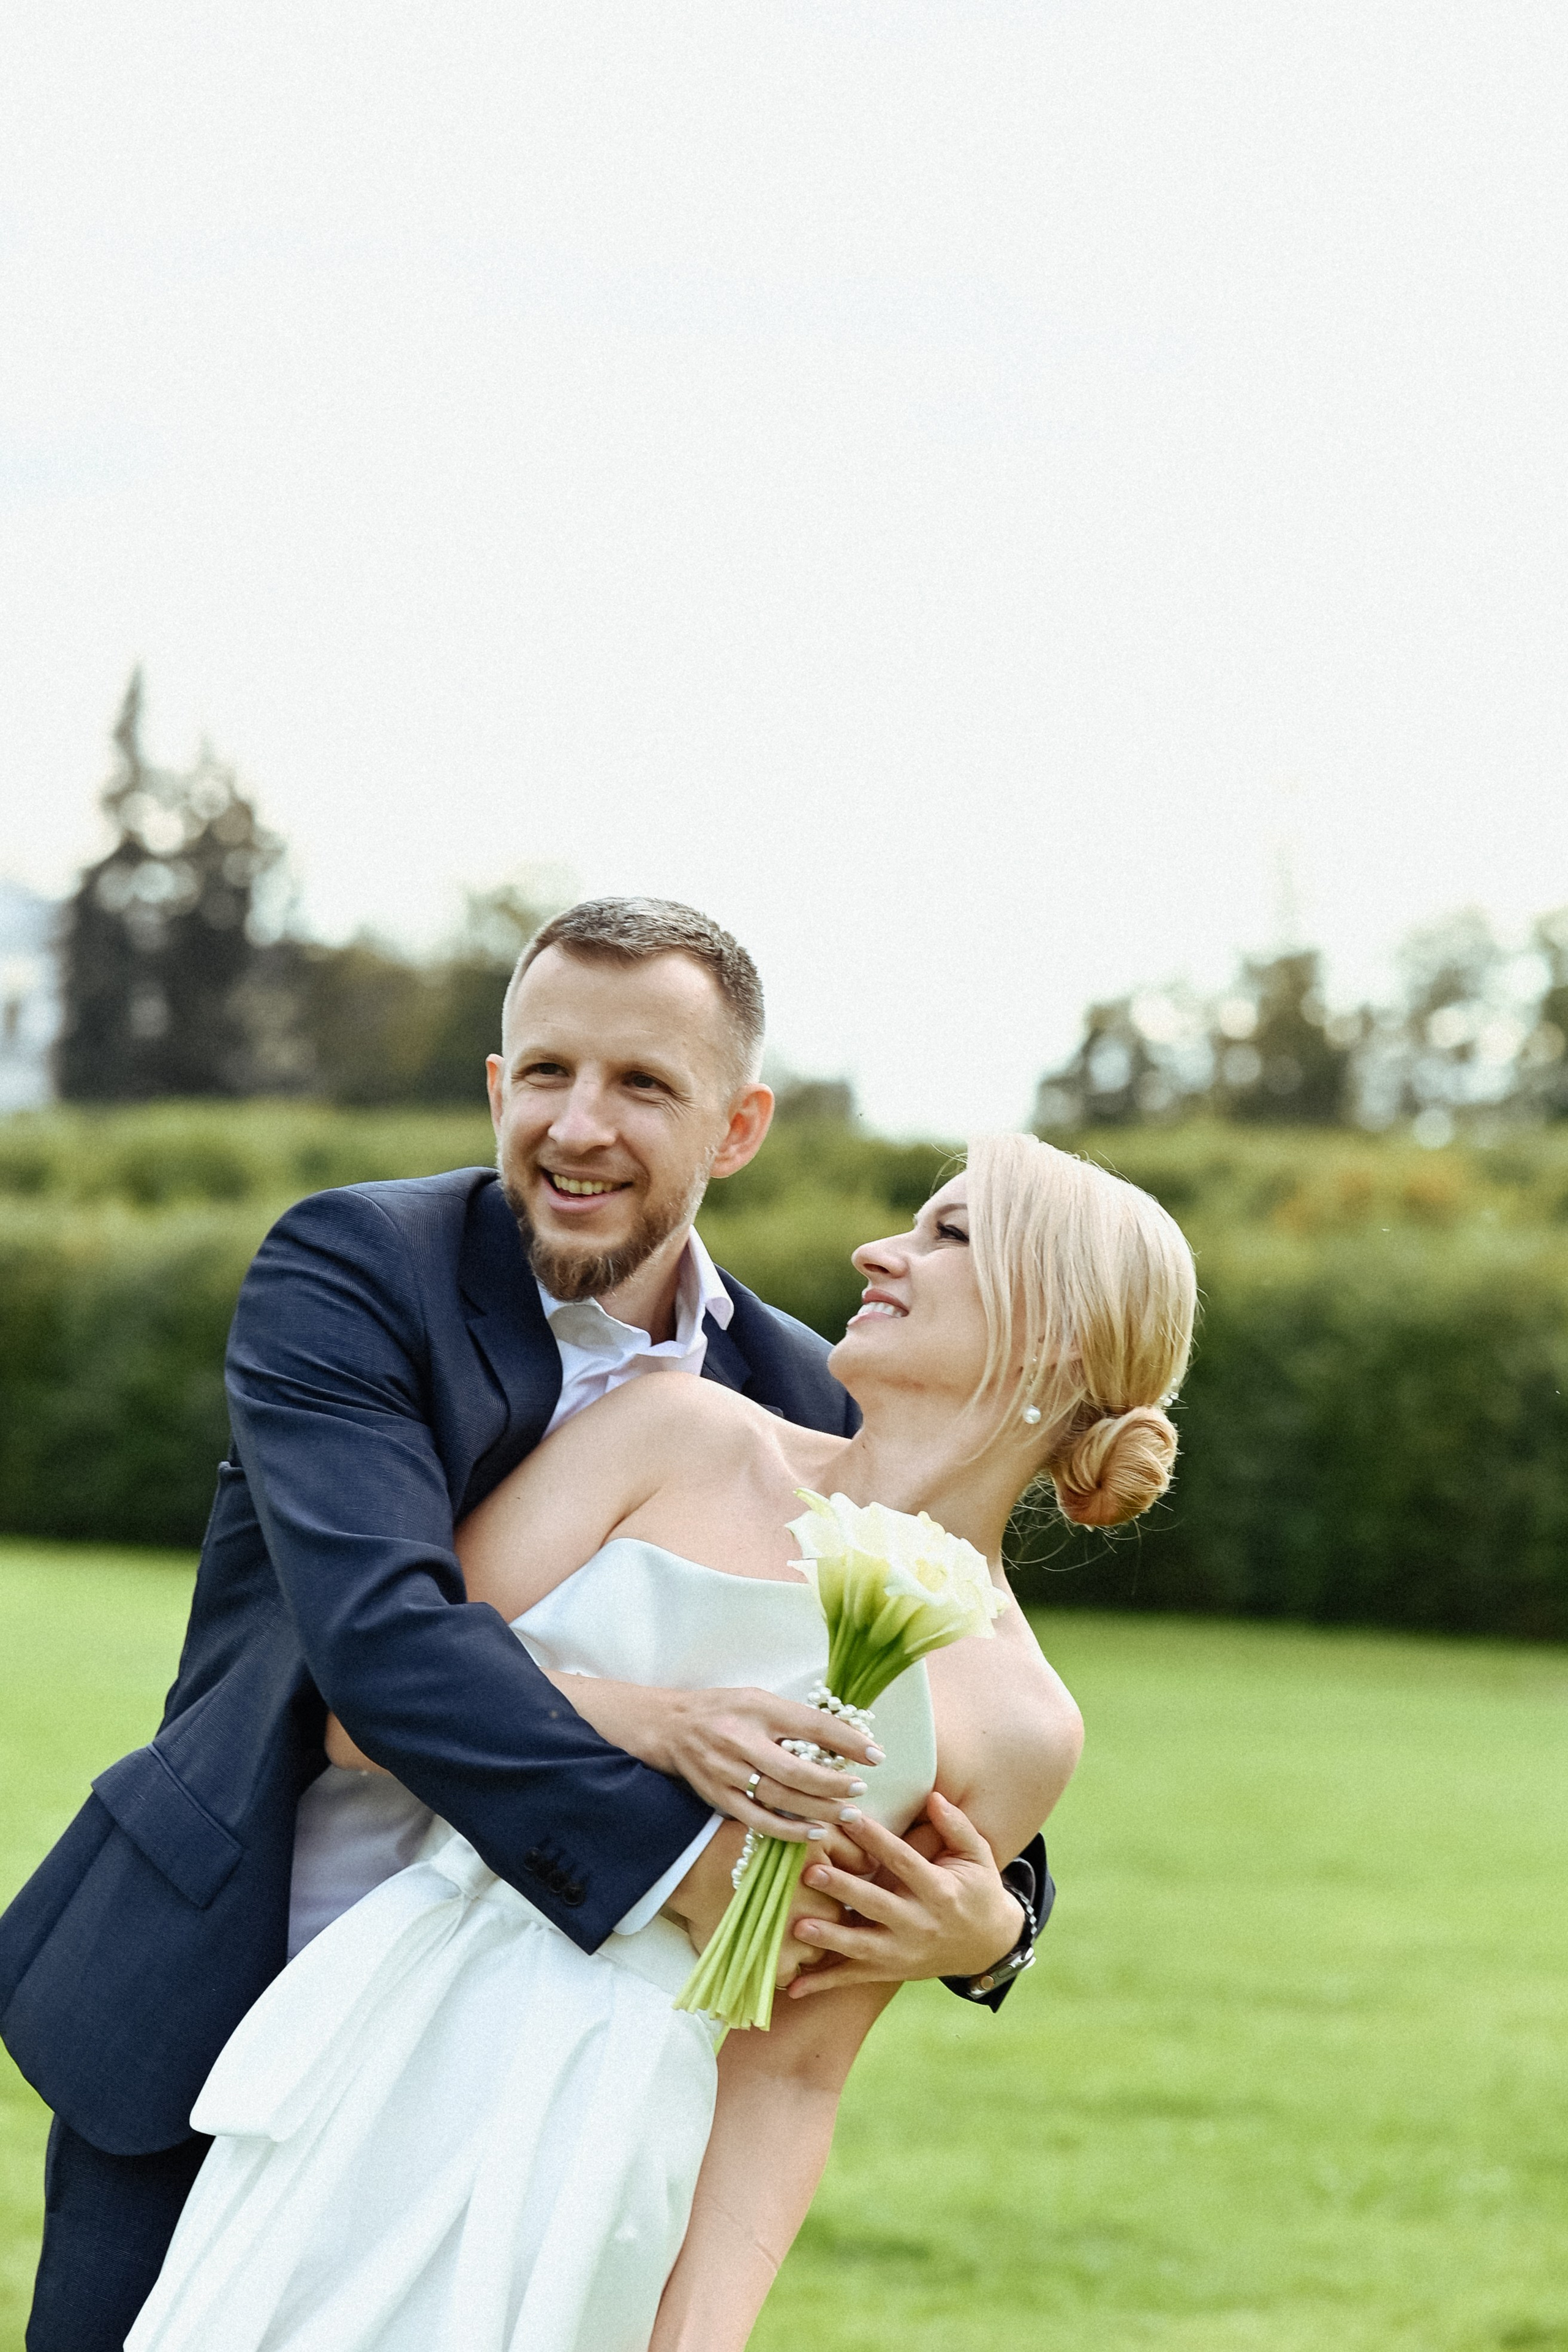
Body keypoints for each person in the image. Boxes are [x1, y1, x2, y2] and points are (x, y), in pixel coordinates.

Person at [0, 898, 1057, 2352]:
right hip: (233, 1981)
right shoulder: (356, 1269)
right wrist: (677, 1820)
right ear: (497, 1088)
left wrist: (991, 1921)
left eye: (642, 1085)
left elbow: (883, 1721)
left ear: (736, 1128)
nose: (578, 1126)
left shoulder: (805, 1398)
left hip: (551, 2080)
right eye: (546, 1073)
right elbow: (380, 1646)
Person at [126, 1128, 1194, 2351]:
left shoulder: (1018, 1722)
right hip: (404, 2039)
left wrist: (701, 2334)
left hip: (619, 2139)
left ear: (1052, 1334)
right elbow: (374, 1717)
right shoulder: (671, 1434)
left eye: (946, 1234)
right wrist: (668, 1727)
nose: (876, 1250)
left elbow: (790, 2072)